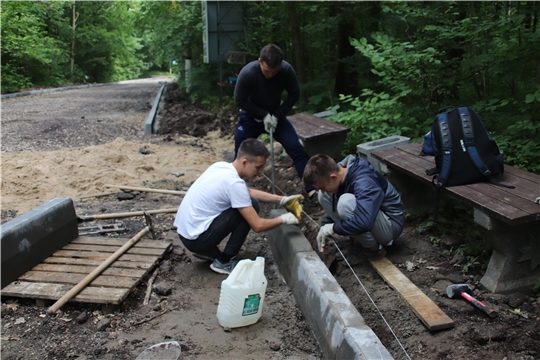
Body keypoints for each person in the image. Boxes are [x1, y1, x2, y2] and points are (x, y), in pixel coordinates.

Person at [174, 138, 304, 275]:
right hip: (196, 240)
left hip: (186, 234)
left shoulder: (221, 166)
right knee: (251, 205)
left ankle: (208, 251)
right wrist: (284, 219)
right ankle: (225, 262)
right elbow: (258, 225)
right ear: (244, 162)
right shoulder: (234, 183)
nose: (260, 172)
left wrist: (283, 200)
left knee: (248, 201)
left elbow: (249, 192)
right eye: (258, 167)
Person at [233, 43, 316, 197]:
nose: (270, 75)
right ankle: (233, 190)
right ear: (259, 61)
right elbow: (239, 100)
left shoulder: (286, 70)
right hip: (250, 117)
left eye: (274, 72)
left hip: (275, 117)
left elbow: (294, 94)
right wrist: (263, 114)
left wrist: (277, 115)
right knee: (239, 154)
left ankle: (311, 190)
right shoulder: (248, 73)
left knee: (296, 148)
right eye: (267, 71)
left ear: (280, 65)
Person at [303, 154, 406, 259]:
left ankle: (373, 249)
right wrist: (325, 225)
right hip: (373, 218)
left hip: (391, 225)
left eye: (322, 187)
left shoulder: (364, 181)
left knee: (345, 202)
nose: (323, 190)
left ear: (333, 177)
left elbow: (365, 221)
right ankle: (357, 241)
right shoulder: (341, 175)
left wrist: (333, 228)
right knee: (323, 196)